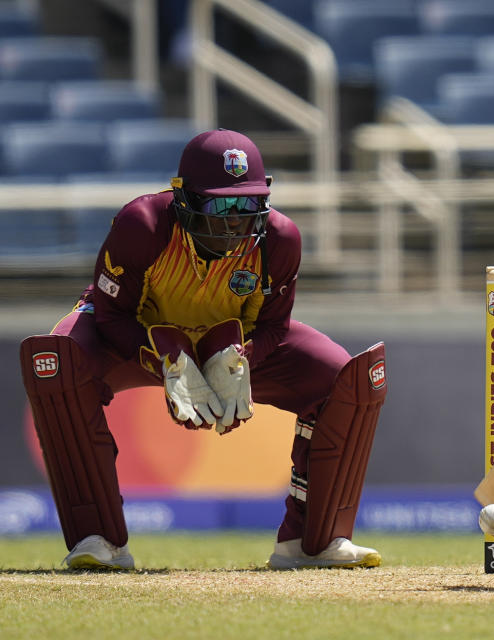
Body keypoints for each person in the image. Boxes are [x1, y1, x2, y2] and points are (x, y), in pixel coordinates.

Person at [19, 129, 387, 571]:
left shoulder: (280, 239)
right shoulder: (144, 226)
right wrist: (165, 361)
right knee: (57, 366)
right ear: (183, 199)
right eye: (221, 205)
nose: (235, 220)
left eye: (248, 205)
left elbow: (273, 325)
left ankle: (314, 543)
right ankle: (97, 540)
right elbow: (112, 316)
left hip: (226, 339)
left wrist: (238, 360)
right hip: (138, 332)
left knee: (345, 379)